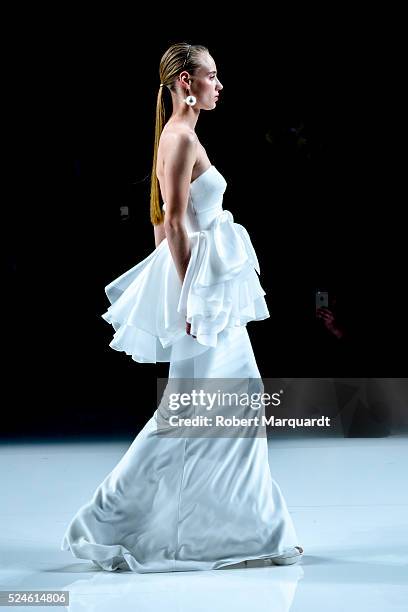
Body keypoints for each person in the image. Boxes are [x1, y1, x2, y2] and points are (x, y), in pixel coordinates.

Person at [61, 42, 304, 572]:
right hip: (203, 298)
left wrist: (194, 291)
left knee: (213, 411)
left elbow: (164, 223)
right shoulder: (177, 137)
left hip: (209, 294)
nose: (221, 85)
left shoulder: (182, 137)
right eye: (212, 76)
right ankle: (110, 522)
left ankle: (243, 532)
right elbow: (170, 222)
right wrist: (189, 296)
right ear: (186, 84)